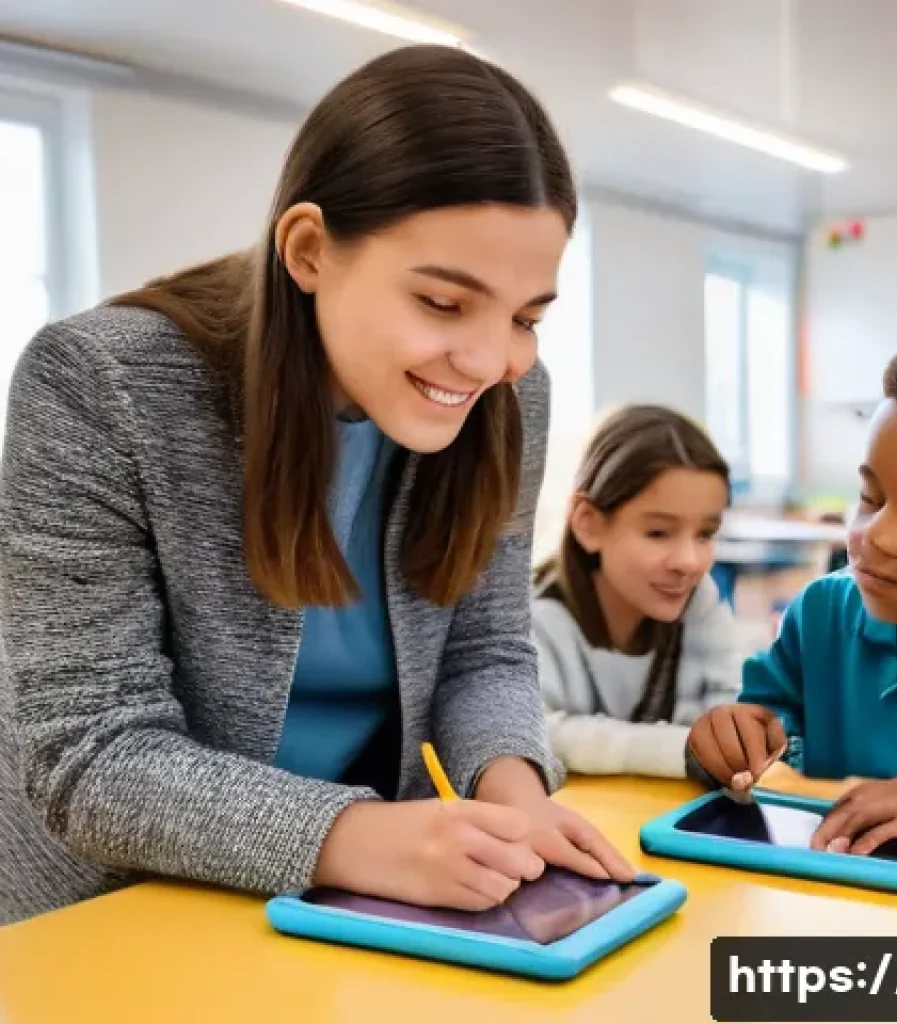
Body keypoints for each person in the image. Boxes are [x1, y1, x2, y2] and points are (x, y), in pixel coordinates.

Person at [0, 44, 634, 927]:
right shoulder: (98, 383)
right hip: (119, 910)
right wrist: (368, 838)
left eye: (527, 316)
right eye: (444, 304)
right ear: (307, 250)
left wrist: (515, 793)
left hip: (367, 900)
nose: (493, 359)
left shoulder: (510, 396)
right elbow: (92, 753)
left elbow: (484, 650)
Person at [686, 321, 897, 856]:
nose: (877, 535)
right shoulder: (822, 615)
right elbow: (768, 726)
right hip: (831, 914)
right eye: (869, 497)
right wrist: (732, 739)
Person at [533, 405, 742, 778]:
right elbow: (535, 734)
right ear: (589, 523)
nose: (689, 561)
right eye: (658, 533)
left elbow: (728, 706)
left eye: (705, 534)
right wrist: (685, 748)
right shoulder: (534, 619)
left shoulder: (699, 601)